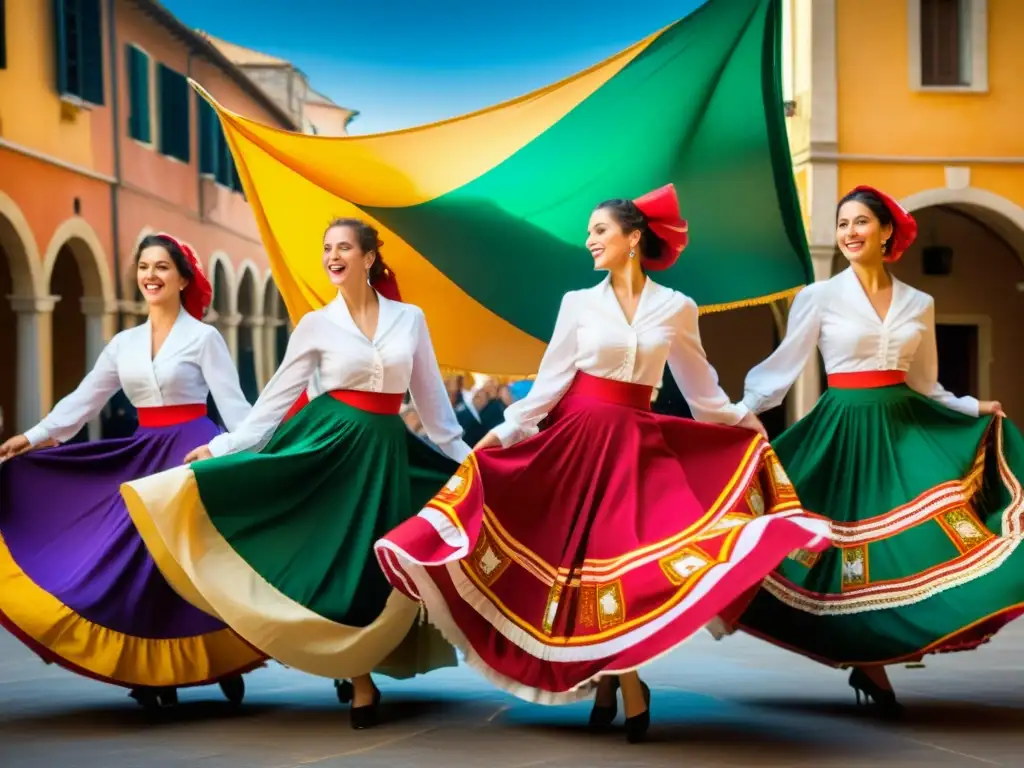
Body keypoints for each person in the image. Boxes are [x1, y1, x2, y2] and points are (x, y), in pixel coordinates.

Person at [374, 184, 832, 743]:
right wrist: (503, 432)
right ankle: (627, 682)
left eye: (599, 231)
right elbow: (549, 383)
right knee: (582, 574)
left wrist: (741, 421)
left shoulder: (677, 308)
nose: (588, 241)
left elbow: (701, 389)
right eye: (589, 232)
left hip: (637, 451)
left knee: (625, 570)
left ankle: (617, 678)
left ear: (633, 238)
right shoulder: (577, 303)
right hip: (575, 448)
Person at [121, 218, 469, 729]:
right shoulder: (315, 325)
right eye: (327, 248)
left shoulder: (409, 320)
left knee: (380, 568)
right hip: (330, 455)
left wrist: (468, 462)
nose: (333, 256)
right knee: (343, 566)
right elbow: (272, 403)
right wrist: (222, 447)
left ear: (369, 258)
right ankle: (358, 680)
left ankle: (362, 667)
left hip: (388, 455)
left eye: (344, 248)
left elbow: (435, 408)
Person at [732, 185, 1019, 717]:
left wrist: (973, 407)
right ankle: (869, 665)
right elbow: (783, 367)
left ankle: (882, 652)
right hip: (841, 430)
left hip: (903, 428)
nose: (850, 233)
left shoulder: (920, 302)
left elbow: (927, 383)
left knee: (907, 547)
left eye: (860, 222)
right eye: (843, 224)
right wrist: (737, 411)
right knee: (839, 550)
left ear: (887, 230)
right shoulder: (818, 296)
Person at [0, 233, 263, 710]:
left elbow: (236, 408)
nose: (151, 276)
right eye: (144, 266)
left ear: (183, 278)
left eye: (162, 267)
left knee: (191, 563)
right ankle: (154, 672)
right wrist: (34, 436)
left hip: (192, 456)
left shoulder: (205, 338)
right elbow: (83, 401)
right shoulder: (123, 344)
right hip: (144, 455)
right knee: (137, 562)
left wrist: (230, 449)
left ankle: (219, 659)